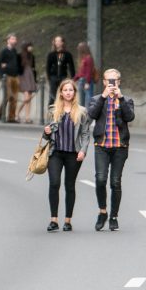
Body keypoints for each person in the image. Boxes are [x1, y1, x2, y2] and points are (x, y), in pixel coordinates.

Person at [88, 68, 135, 232]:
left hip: (120, 147)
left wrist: (120, 98)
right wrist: (103, 96)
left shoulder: (126, 100)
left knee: (115, 182)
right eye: (109, 81)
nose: (112, 84)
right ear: (104, 82)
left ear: (119, 82)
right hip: (102, 145)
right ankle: (102, 212)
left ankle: (114, 216)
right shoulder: (96, 99)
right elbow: (92, 114)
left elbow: (130, 117)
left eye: (114, 81)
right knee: (100, 179)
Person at [43, 79, 90, 232]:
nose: (68, 92)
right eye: (65, 90)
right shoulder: (53, 110)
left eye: (71, 90)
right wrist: (46, 131)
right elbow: (46, 134)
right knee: (54, 183)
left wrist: (83, 150)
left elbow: (85, 134)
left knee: (70, 185)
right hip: (55, 152)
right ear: (61, 93)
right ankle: (53, 220)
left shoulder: (82, 112)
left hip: (73, 154)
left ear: (74, 93)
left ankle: (68, 221)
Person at [0, 33, 22, 123]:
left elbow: (17, 64)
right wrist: (1, 75)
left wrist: (18, 72)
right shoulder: (4, 51)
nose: (14, 40)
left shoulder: (15, 51)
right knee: (8, 96)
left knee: (14, 98)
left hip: (15, 76)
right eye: (12, 39)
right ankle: (1, 113)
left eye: (15, 39)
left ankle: (11, 117)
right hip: (7, 76)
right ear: (8, 40)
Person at [46, 35, 75, 106]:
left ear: (62, 42)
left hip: (63, 77)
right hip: (53, 77)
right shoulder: (51, 54)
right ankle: (51, 113)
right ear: (54, 43)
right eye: (56, 41)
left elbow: (71, 67)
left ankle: (64, 111)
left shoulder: (67, 54)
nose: (58, 43)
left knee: (64, 95)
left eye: (59, 41)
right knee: (52, 96)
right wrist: (49, 78)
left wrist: (72, 78)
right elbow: (48, 67)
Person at [16, 42, 36, 124]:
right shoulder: (20, 56)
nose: (31, 48)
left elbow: (34, 67)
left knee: (29, 98)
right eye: (29, 46)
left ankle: (25, 116)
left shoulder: (32, 56)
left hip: (30, 75)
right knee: (26, 97)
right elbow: (18, 67)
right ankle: (20, 114)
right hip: (23, 76)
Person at [74, 42, 95, 107]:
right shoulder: (82, 59)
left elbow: (89, 71)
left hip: (86, 81)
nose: (78, 49)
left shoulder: (88, 58)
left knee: (89, 99)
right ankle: (82, 114)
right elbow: (80, 72)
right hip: (81, 81)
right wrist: (74, 79)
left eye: (79, 47)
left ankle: (89, 115)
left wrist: (87, 82)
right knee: (81, 99)